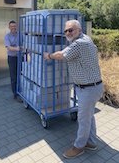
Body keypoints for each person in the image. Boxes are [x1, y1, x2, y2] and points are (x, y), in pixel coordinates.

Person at [43, 19, 104, 159]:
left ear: (79, 30)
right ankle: (91, 142)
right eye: (66, 31)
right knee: (89, 117)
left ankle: (79, 146)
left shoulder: (79, 44)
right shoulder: (86, 39)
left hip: (88, 89)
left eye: (71, 30)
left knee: (83, 119)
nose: (68, 33)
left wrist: (49, 56)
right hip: (91, 87)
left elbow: (61, 55)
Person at [4, 20, 23, 103]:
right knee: (14, 77)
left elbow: (26, 42)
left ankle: (21, 91)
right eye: (11, 26)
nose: (13, 28)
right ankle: (15, 94)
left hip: (20, 58)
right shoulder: (7, 36)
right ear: (9, 28)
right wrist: (17, 48)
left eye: (14, 26)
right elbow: (9, 47)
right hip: (12, 58)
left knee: (21, 75)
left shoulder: (21, 34)